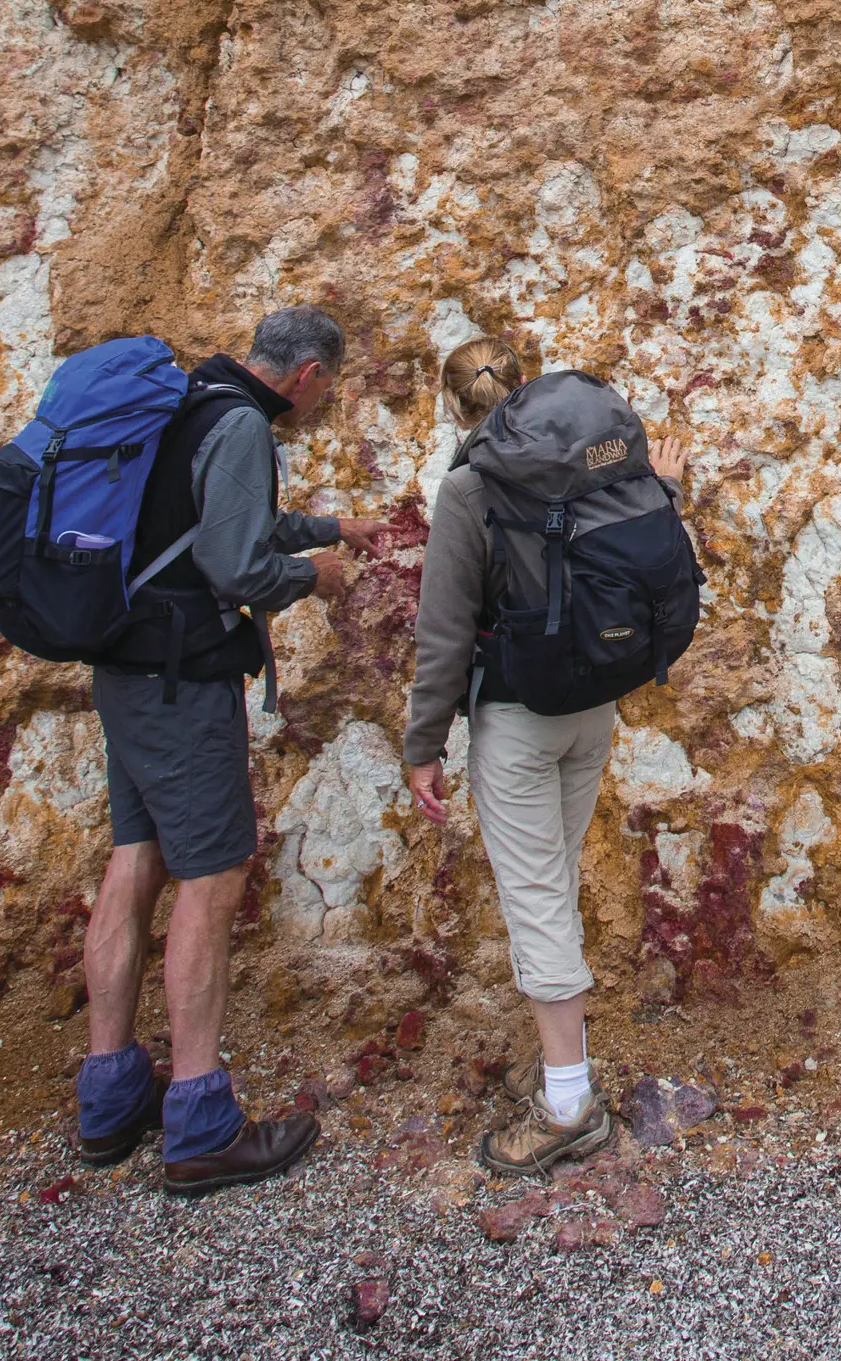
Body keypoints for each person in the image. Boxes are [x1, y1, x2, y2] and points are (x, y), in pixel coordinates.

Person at [73, 306, 403, 1196]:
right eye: (327, 385)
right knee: (211, 879)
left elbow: (213, 523)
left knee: (134, 860)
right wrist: (313, 575)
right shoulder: (242, 425)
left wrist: (335, 527)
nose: (323, 398)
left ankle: (108, 1098)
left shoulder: (190, 402)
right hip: (183, 685)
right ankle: (200, 1117)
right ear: (306, 375)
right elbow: (234, 564)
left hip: (127, 669)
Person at [402, 335, 689, 1179]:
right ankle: (558, 1060)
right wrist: (667, 487)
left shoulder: (468, 486)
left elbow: (444, 632)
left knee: (534, 899)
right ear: (525, 392)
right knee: (551, 881)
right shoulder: (595, 467)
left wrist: (424, 744)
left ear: (452, 406)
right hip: (591, 707)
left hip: (518, 720)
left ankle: (568, 1104)